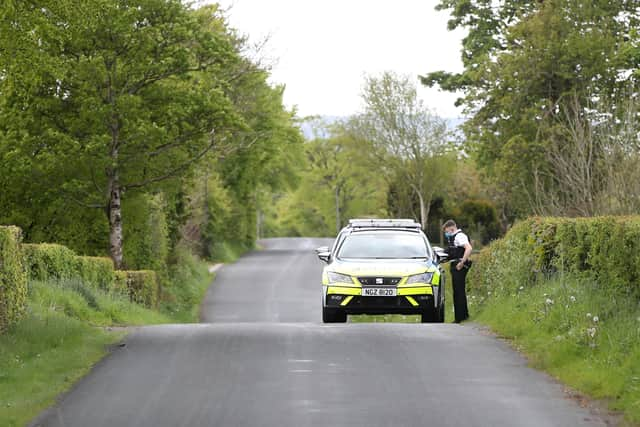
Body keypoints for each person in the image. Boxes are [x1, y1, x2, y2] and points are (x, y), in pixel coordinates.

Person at [442, 219, 472, 323]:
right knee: (458, 291)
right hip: (456, 264)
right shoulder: (454, 238)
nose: (446, 234)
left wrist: (462, 262)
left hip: (459, 265)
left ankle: (460, 317)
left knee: (459, 292)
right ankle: (462, 316)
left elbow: (469, 248)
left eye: (447, 231)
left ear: (452, 228)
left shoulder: (460, 236)